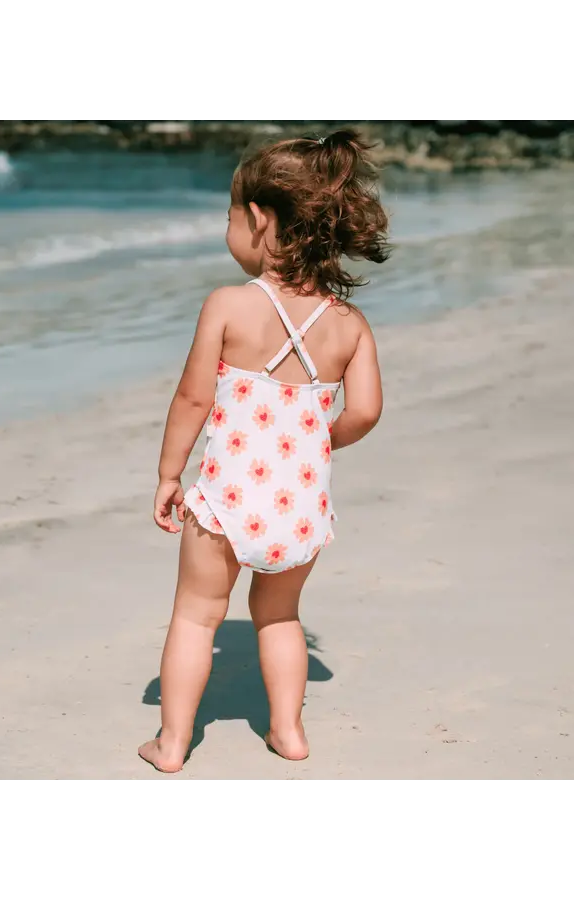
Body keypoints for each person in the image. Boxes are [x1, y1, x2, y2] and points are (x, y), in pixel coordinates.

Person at [139, 128, 389, 772]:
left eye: (229, 216)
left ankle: (172, 744)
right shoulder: (347, 324)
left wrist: (170, 473)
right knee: (279, 617)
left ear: (258, 219)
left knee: (197, 617)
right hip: (300, 503)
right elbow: (364, 411)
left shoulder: (228, 305)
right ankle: (288, 733)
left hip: (226, 502)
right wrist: (318, 438)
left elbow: (193, 400)